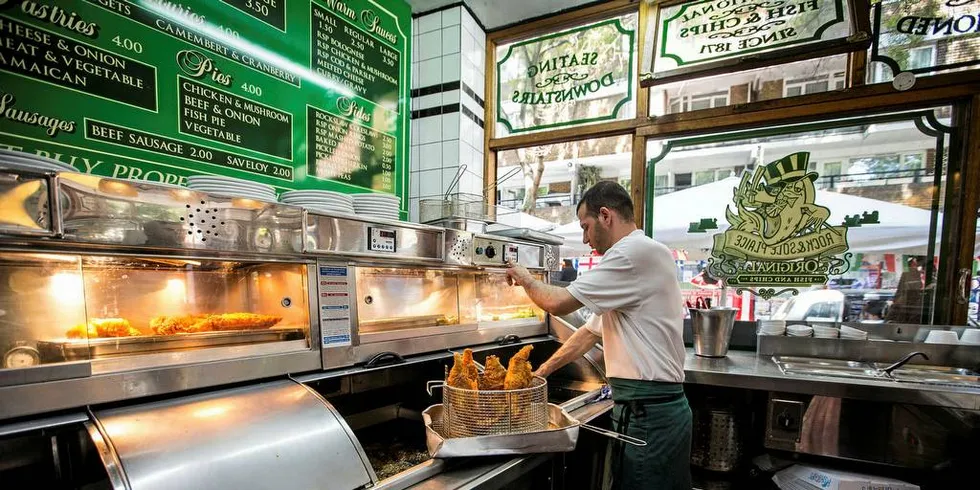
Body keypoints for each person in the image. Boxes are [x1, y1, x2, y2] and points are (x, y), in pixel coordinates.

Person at [505, 181, 691, 490]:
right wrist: (542, 372)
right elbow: (589, 333)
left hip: (649, 412)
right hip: (646, 411)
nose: (584, 237)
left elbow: (558, 302)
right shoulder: (639, 256)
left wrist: (526, 278)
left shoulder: (631, 254)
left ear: (605, 216)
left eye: (586, 226)